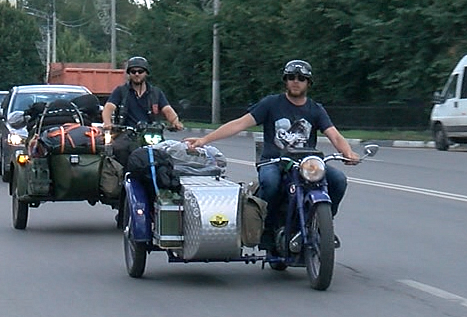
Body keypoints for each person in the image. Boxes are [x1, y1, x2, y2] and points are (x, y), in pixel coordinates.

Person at [185, 59, 359, 249]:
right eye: (291, 77)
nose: (296, 81)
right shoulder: (271, 103)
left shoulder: (315, 109)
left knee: (338, 180)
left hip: (306, 165)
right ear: (285, 80)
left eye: (301, 78)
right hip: (274, 161)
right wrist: (204, 140)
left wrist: (348, 152)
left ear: (308, 83)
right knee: (271, 183)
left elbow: (334, 134)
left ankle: (323, 226)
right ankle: (268, 229)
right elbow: (239, 124)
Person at [101, 56, 184, 165]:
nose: (136, 74)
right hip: (127, 134)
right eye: (133, 71)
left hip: (152, 134)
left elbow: (167, 109)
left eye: (140, 71)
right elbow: (108, 107)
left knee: (164, 154)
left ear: (146, 73)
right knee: (119, 150)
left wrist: (175, 122)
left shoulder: (155, 93)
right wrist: (107, 123)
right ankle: (122, 177)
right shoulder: (121, 91)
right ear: (129, 73)